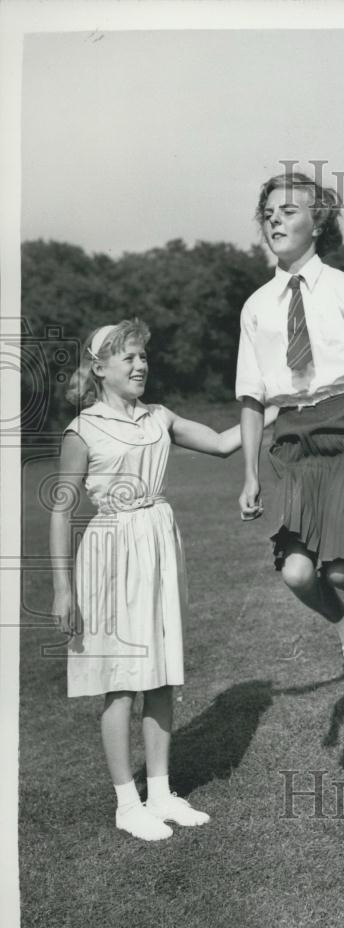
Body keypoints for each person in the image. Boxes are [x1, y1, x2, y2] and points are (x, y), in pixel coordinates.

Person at [50, 319, 242, 842]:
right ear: (100, 368)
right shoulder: (82, 429)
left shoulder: (160, 417)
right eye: (128, 358)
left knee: (160, 674)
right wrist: (63, 589)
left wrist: (273, 404)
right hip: (110, 552)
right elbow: (61, 512)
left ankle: (160, 793)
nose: (140, 365)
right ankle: (126, 804)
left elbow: (226, 442)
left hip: (158, 544)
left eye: (142, 357)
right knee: (120, 682)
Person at [236, 171, 344, 687]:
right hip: (291, 439)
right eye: (268, 213)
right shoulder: (255, 307)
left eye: (288, 210)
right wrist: (249, 473)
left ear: (318, 222)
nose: (275, 219)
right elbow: (251, 396)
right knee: (296, 573)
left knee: (338, 568)